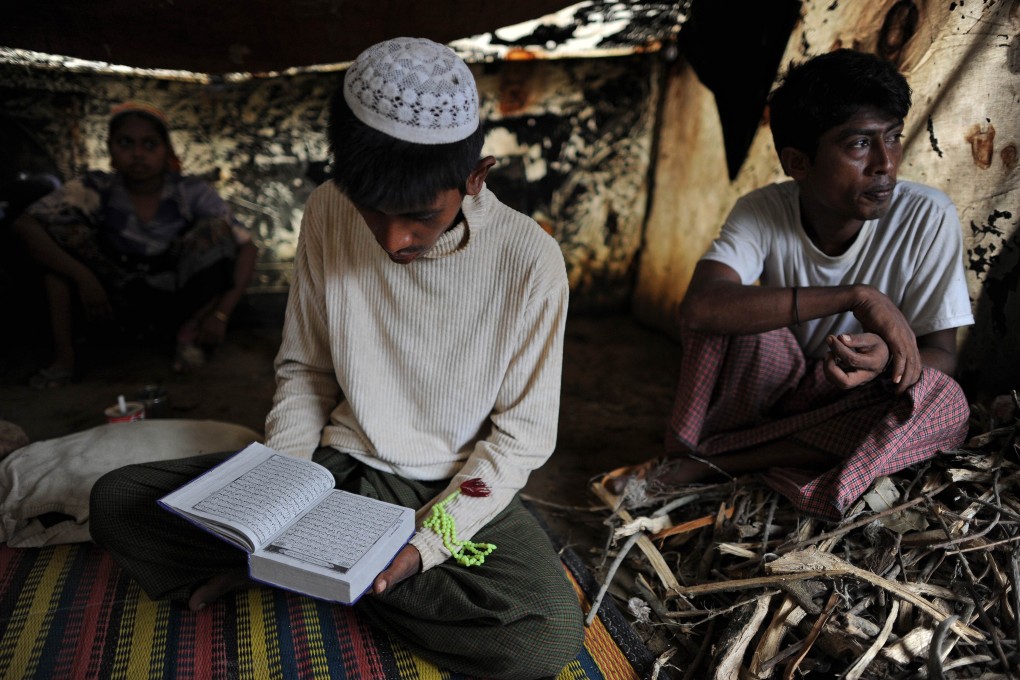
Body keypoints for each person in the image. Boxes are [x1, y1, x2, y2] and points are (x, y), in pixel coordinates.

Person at [90, 38, 582, 679]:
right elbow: (306, 372)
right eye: (370, 211)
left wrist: (425, 546)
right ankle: (314, 569)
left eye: (418, 216)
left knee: (541, 640)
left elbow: (519, 440)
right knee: (117, 502)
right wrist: (277, 500)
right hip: (334, 470)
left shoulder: (530, 263)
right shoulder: (328, 207)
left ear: (475, 176)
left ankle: (324, 578)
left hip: (446, 485)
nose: (392, 239)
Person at [609, 49, 974, 521]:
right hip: (777, 394)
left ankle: (712, 462)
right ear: (798, 162)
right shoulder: (762, 210)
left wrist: (888, 359)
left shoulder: (928, 216)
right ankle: (760, 455)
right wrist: (855, 296)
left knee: (944, 398)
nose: (885, 163)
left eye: (893, 137)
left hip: (853, 399)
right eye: (860, 144)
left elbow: (943, 355)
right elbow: (700, 307)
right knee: (734, 315)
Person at [13, 101, 258, 385]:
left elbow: (248, 246)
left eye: (150, 144)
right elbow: (24, 224)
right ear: (111, 150)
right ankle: (64, 360)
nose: (138, 154)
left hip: (173, 296)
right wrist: (83, 278)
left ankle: (189, 335)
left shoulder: (189, 190)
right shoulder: (96, 188)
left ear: (166, 150)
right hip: (114, 295)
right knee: (58, 235)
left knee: (218, 230)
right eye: (125, 143)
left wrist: (221, 314)